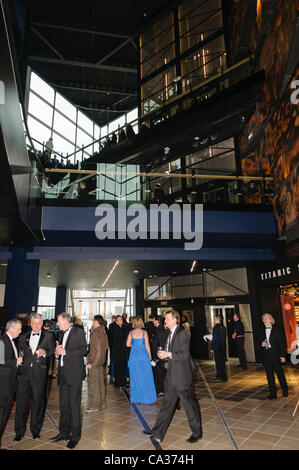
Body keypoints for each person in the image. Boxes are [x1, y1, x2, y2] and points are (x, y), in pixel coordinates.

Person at [144, 310, 202, 443]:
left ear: (175, 320)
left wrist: (168, 354)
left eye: (168, 318)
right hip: (171, 375)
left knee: (189, 406)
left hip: (181, 376)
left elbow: (184, 355)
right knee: (166, 405)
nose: (165, 321)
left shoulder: (182, 334)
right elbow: (170, 352)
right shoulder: (170, 334)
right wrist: (162, 356)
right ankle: (157, 432)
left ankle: (197, 432)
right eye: (165, 319)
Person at [48, 312, 87, 449]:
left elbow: (84, 349)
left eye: (58, 321)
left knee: (74, 406)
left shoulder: (78, 331)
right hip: (63, 374)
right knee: (64, 406)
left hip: (75, 375)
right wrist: (58, 353)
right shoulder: (62, 333)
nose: (57, 324)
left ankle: (75, 437)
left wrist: (66, 353)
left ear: (65, 321)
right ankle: (63, 433)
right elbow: (62, 352)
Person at [14, 313, 55, 441]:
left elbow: (52, 350)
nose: (37, 325)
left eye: (39, 323)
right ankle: (19, 432)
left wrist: (45, 352)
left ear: (42, 324)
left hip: (39, 375)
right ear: (30, 324)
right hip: (24, 375)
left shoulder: (49, 336)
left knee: (38, 403)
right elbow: (19, 352)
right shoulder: (23, 336)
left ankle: (35, 430)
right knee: (21, 404)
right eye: (34, 323)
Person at [0, 320, 23, 449]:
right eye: (19, 329)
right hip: (3, 385)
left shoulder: (11, 341)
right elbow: (1, 361)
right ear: (11, 329)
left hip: (9, 384)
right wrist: (16, 361)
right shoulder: (2, 340)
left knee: (4, 414)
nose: (20, 331)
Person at [126, 316, 156, 404]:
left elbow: (127, 344)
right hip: (143, 356)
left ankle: (136, 398)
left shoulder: (131, 332)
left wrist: (135, 346)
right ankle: (146, 397)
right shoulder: (144, 332)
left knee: (135, 377)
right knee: (145, 376)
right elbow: (147, 345)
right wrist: (150, 356)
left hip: (134, 357)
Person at [259, 313, 288, 400]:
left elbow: (282, 344)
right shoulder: (261, 330)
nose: (264, 320)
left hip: (276, 355)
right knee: (269, 375)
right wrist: (261, 344)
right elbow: (259, 341)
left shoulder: (277, 330)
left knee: (280, 374)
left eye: (266, 318)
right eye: (263, 318)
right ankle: (273, 393)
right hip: (267, 356)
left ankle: (285, 390)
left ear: (271, 320)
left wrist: (283, 356)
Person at [86, 315, 108, 412]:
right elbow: (106, 346)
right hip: (101, 360)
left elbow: (93, 349)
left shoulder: (95, 333)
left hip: (94, 361)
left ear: (96, 322)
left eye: (93, 321)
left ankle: (94, 406)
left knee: (93, 384)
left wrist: (91, 361)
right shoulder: (103, 331)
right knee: (100, 383)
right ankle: (102, 402)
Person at [110, 315, 128, 388]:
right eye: (120, 320)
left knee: (122, 367)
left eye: (121, 320)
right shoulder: (115, 329)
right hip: (118, 352)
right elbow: (116, 342)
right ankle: (119, 382)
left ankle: (122, 382)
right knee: (119, 367)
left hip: (122, 351)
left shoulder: (123, 328)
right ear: (116, 321)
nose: (121, 321)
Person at [210, 314, 227, 381]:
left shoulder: (215, 328)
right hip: (222, 346)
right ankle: (220, 374)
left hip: (217, 346)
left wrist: (212, 347)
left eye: (214, 319)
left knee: (218, 361)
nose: (214, 320)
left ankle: (222, 375)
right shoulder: (223, 327)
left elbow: (215, 338)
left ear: (217, 319)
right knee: (222, 361)